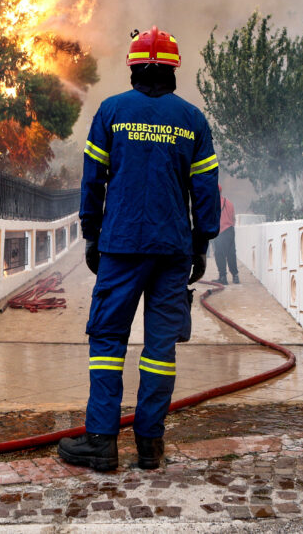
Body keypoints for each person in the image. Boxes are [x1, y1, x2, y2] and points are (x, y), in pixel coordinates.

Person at [57, 26, 220, 472]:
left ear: (132, 68)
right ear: (173, 70)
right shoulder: (193, 120)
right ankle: (151, 446)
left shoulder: (111, 112)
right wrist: (201, 243)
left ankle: (102, 443)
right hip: (172, 251)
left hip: (122, 246)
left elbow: (93, 180)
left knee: (108, 341)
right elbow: (205, 189)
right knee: (161, 349)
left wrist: (92, 233)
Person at [213, 188, 239, 284]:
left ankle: (223, 277)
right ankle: (235, 276)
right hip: (230, 230)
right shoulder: (229, 203)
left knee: (219, 254)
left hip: (220, 231)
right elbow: (233, 218)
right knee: (231, 253)